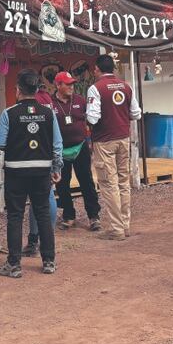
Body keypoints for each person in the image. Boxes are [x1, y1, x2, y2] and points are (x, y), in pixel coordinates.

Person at [0, 69, 63, 278]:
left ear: (18, 90)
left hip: (16, 173)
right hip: (42, 172)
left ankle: (14, 264)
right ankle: (49, 261)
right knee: (42, 213)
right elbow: (57, 144)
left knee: (15, 216)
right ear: (36, 90)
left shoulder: (9, 113)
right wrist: (56, 168)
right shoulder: (48, 113)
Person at [86, 54, 141, 240]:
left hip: (104, 141)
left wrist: (87, 119)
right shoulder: (126, 86)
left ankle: (116, 229)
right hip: (124, 139)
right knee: (124, 182)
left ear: (98, 69)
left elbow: (93, 118)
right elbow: (136, 114)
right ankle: (125, 225)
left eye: (94, 69)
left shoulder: (95, 88)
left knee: (109, 184)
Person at [52, 71, 101, 231]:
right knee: (62, 185)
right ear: (58, 85)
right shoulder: (50, 104)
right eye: (67, 84)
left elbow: (92, 121)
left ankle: (94, 216)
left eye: (72, 83)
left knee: (87, 182)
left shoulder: (80, 100)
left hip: (80, 148)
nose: (71, 87)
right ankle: (69, 215)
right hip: (60, 151)